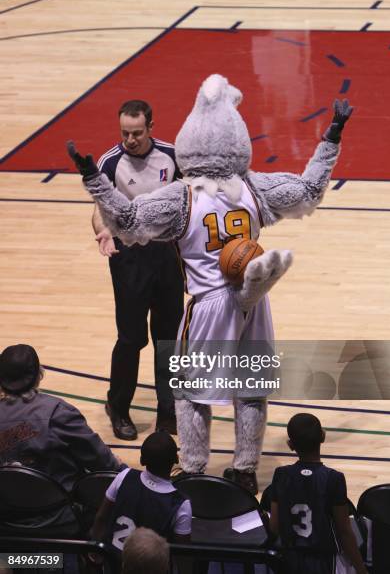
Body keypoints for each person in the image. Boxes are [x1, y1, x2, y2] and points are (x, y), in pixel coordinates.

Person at [67, 75, 352, 495]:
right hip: (254, 306)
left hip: (207, 305)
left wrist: (93, 178)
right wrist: (331, 136)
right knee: (251, 391)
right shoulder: (255, 186)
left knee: (190, 393)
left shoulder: (182, 196)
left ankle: (196, 466)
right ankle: (245, 468)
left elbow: (126, 221)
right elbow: (310, 189)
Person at [93, 99, 184, 440]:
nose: (129, 139)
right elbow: (100, 210)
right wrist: (102, 230)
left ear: (151, 127)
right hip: (129, 259)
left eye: (136, 133)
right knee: (131, 339)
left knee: (168, 339)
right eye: (124, 133)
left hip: (167, 256)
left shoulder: (173, 157)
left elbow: (192, 198)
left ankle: (168, 412)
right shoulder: (110, 162)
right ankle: (118, 408)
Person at [0, 343, 123, 490]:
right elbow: (100, 461)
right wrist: (122, 469)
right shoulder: (58, 412)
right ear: (38, 376)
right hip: (58, 507)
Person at [263, 413, 368, 574]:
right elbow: (344, 532)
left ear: (290, 445)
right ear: (323, 437)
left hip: (288, 561)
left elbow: (275, 527)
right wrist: (361, 569)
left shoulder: (281, 475)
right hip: (324, 562)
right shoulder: (334, 478)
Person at [91, 431, 192, 553]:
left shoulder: (124, 476)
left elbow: (101, 518)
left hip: (114, 564)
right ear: (176, 459)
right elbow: (183, 553)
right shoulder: (180, 504)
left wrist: (94, 555)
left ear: (142, 460)